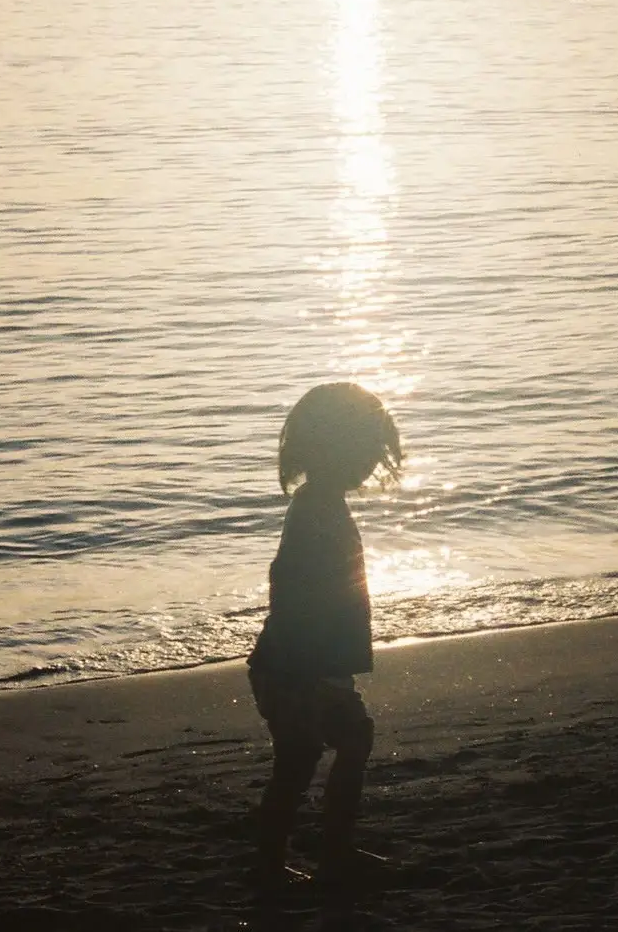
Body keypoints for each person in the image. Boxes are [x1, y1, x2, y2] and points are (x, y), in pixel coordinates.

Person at [247, 380, 401, 893]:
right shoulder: (315, 508)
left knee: (350, 740)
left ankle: (334, 852)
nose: (369, 465)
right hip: (295, 665)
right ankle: (271, 863)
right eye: (365, 451)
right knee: (298, 760)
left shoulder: (324, 502)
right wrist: (311, 669)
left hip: (312, 663)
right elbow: (287, 584)